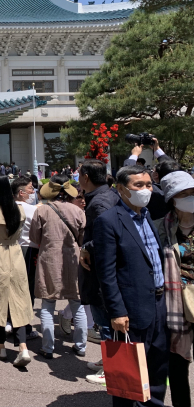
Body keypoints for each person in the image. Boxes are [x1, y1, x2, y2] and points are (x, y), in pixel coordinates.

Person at [93, 166, 168, 407]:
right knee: (129, 372)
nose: (145, 190)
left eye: (148, 184)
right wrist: (116, 311)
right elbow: (106, 272)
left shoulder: (147, 216)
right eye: (139, 185)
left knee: (157, 367)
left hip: (159, 303)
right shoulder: (109, 221)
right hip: (131, 309)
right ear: (121, 189)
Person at [29, 179, 87, 359]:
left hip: (49, 258)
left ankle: (47, 347)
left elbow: (34, 236)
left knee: (47, 303)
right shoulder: (78, 211)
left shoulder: (42, 210)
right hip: (73, 258)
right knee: (77, 304)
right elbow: (82, 238)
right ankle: (80, 345)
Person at [77, 159, 122, 383]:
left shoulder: (100, 202)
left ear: (86, 177)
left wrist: (87, 247)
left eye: (79, 175)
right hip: (101, 269)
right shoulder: (107, 195)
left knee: (106, 322)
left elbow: (109, 237)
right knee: (104, 320)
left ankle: (112, 369)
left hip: (102, 272)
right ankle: (108, 361)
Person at [0, 175, 33, 367]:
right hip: (15, 253)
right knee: (19, 299)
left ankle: (1, 346)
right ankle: (23, 347)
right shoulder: (18, 209)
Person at [156, 171, 194, 407]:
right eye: (184, 194)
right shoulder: (159, 228)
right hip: (176, 306)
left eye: (192, 192)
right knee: (178, 367)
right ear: (172, 198)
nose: (190, 197)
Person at [12, 177, 40, 340]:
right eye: (30, 188)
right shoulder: (32, 210)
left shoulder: (6, 208)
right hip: (29, 250)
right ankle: (25, 327)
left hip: (10, 249)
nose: (32, 191)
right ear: (21, 192)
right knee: (27, 289)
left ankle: (10, 322)